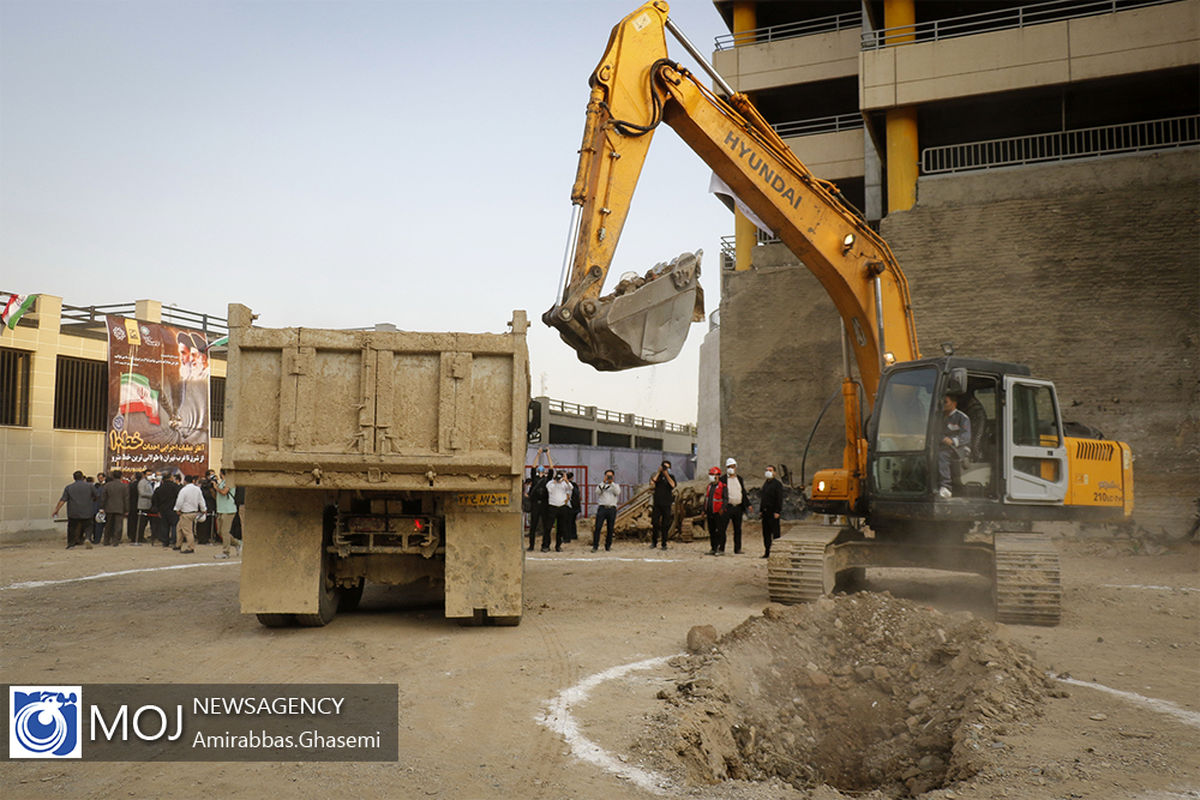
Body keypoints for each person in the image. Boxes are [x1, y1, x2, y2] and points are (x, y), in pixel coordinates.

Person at [938, 393, 972, 498]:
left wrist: (953, 441)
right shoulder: (940, 417)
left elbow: (966, 436)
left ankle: (946, 487)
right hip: (944, 446)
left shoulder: (962, 417)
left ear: (954, 403)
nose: (943, 404)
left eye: (945, 402)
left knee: (942, 455)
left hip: (960, 448)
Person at [52, 470, 94, 550]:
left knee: (72, 527)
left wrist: (56, 509)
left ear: (74, 478)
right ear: (82, 477)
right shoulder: (90, 486)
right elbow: (96, 495)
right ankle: (88, 538)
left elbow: (63, 500)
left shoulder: (69, 487)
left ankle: (71, 544)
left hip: (73, 511)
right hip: (87, 510)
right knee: (88, 526)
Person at [719, 458, 750, 554]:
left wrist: (748, 504)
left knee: (737, 529)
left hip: (738, 508)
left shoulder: (739, 479)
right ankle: (721, 548)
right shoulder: (722, 480)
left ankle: (737, 548)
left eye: (732, 466)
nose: (731, 469)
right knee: (722, 528)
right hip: (727, 507)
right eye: (729, 467)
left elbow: (743, 492)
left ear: (736, 467)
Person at [527, 449, 553, 552]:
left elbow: (551, 468)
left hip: (545, 504)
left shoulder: (548, 479)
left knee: (546, 526)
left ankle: (545, 545)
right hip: (535, 504)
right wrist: (537, 454)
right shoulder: (535, 479)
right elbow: (532, 467)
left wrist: (548, 455)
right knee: (533, 526)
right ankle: (531, 545)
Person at [173, 474, 207, 554]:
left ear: (185, 481)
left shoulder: (183, 490)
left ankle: (191, 547)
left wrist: (177, 509)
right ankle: (178, 544)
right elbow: (201, 500)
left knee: (187, 531)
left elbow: (179, 501)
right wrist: (203, 509)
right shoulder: (197, 489)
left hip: (186, 513)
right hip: (194, 512)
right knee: (179, 528)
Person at [213, 470, 241, 559]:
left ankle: (226, 552)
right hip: (220, 509)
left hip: (228, 510)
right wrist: (213, 489)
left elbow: (224, 492)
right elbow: (218, 495)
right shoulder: (222, 483)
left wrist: (216, 488)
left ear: (221, 473)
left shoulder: (230, 482)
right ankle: (237, 543)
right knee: (220, 531)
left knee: (225, 531)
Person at [649, 459, 676, 550]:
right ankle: (654, 542)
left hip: (667, 504)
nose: (665, 469)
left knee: (665, 524)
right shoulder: (657, 476)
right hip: (657, 503)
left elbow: (672, 485)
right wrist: (659, 472)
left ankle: (664, 543)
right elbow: (652, 483)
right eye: (664, 467)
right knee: (655, 523)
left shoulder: (671, 477)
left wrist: (666, 474)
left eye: (667, 467)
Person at [150, 471, 181, 548]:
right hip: (174, 509)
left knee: (164, 526)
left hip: (163, 510)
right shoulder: (176, 487)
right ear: (170, 478)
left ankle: (165, 542)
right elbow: (179, 498)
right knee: (174, 526)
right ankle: (173, 541)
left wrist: (157, 510)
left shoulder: (159, 489)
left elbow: (155, 500)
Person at [100, 469, 129, 547]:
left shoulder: (107, 485)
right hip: (120, 507)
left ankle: (106, 540)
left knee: (108, 525)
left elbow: (103, 497)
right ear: (121, 476)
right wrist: (127, 509)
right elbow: (126, 499)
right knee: (118, 525)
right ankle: (116, 541)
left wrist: (102, 507)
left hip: (109, 507)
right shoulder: (124, 486)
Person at [592, 469, 619, 552]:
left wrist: (611, 483)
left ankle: (608, 546)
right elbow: (597, 492)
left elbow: (617, 492)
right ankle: (595, 546)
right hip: (602, 508)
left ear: (613, 476)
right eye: (607, 476)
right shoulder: (601, 485)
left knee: (610, 528)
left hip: (612, 508)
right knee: (598, 527)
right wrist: (604, 482)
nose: (609, 477)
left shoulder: (616, 485)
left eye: (610, 476)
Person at [760, 464, 784, 558]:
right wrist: (761, 510)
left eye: (770, 470)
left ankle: (777, 553)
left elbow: (779, 499)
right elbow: (763, 498)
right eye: (766, 470)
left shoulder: (777, 485)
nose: (768, 472)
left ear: (774, 473)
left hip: (773, 513)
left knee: (775, 534)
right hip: (765, 513)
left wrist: (778, 511)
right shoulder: (765, 484)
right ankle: (767, 552)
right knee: (766, 534)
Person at [546, 470, 572, 552]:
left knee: (560, 528)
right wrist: (555, 481)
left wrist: (565, 480)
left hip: (562, 507)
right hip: (552, 507)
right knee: (548, 528)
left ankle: (558, 546)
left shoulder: (564, 484)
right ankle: (546, 545)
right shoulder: (550, 483)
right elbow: (549, 489)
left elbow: (571, 488)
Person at [703, 467, 725, 555]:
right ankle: (713, 548)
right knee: (711, 531)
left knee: (720, 531)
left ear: (717, 476)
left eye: (713, 475)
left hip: (718, 512)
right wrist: (703, 510)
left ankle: (721, 548)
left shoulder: (722, 486)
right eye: (710, 475)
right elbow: (706, 499)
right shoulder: (709, 486)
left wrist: (722, 509)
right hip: (710, 512)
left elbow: (725, 499)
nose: (711, 476)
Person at [133, 471, 154, 545]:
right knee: (141, 523)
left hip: (149, 505)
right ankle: (139, 537)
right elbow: (141, 493)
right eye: (148, 474)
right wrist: (152, 495)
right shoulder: (142, 482)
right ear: (144, 475)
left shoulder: (149, 482)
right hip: (143, 505)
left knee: (146, 523)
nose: (150, 476)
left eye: (151, 474)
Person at [125, 471, 142, 543]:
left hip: (132, 505)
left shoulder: (131, 485)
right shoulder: (140, 484)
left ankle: (131, 536)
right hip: (139, 505)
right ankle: (138, 536)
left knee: (132, 521)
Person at [91, 473, 106, 544]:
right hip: (95, 507)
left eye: (101, 478)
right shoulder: (96, 486)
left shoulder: (105, 486)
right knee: (96, 524)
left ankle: (98, 539)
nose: (100, 479)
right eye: (99, 478)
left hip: (102, 508)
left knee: (99, 525)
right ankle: (96, 538)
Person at [566, 472, 581, 542]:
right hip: (576, 506)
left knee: (569, 522)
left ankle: (569, 535)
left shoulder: (568, 485)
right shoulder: (575, 485)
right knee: (572, 522)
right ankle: (573, 535)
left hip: (571, 506)